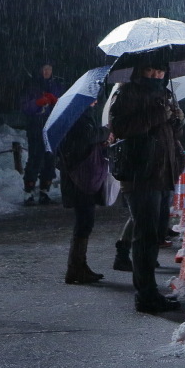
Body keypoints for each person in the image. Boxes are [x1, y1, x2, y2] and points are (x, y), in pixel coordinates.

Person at [107, 52, 185, 313]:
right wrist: (157, 114)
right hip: (140, 174)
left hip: (162, 173)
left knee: (154, 235)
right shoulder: (127, 93)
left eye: (160, 72)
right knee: (144, 236)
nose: (155, 76)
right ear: (140, 71)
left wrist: (176, 120)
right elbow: (120, 128)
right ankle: (145, 295)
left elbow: (169, 133)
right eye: (150, 71)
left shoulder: (164, 94)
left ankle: (150, 291)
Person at [55, 100, 107, 285]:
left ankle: (79, 266)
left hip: (78, 177)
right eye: (93, 98)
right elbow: (86, 138)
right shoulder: (78, 117)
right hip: (80, 178)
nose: (96, 101)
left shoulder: (78, 116)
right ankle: (75, 268)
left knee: (85, 222)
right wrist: (105, 132)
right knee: (84, 222)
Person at [19, 63, 64, 206]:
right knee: (35, 158)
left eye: (49, 69)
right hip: (36, 127)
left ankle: (45, 191)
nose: (47, 72)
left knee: (50, 159)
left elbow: (63, 103)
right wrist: (38, 103)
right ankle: (29, 192)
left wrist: (56, 101)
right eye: (44, 69)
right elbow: (25, 106)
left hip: (51, 127)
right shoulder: (31, 86)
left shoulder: (56, 85)